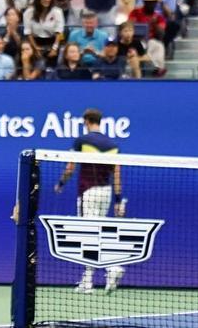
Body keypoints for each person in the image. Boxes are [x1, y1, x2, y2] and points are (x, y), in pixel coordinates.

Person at [54, 108, 124, 293]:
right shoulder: (112, 144)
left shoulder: (82, 141)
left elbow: (70, 167)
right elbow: (116, 173)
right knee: (96, 233)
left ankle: (112, 268)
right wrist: (118, 199)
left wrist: (61, 183)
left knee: (88, 235)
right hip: (106, 192)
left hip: (88, 192)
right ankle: (88, 280)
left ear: (86, 121)